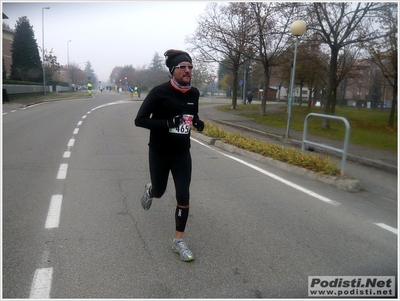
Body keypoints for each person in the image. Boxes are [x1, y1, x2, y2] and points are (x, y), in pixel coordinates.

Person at [135, 49, 204, 262]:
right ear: (172, 70)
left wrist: (198, 122)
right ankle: (151, 190)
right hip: (159, 151)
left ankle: (178, 241)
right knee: (161, 191)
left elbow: (193, 113)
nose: (187, 70)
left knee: (183, 195)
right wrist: (167, 123)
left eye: (190, 67)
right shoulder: (159, 92)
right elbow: (140, 120)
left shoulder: (194, 93)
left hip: (182, 152)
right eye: (182, 67)